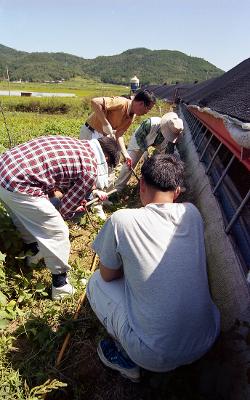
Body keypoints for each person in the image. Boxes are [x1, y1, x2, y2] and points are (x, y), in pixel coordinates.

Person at [87, 154, 220, 382]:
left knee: (95, 283)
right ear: (177, 192)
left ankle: (126, 358)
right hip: (207, 338)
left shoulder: (122, 220)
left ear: (142, 185)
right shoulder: (193, 214)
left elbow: (108, 275)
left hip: (155, 355)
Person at [0, 135, 120, 301]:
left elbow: (54, 175)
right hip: (20, 184)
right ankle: (60, 285)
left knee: (24, 218)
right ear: (105, 158)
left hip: (4, 173)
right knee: (58, 232)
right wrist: (76, 207)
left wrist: (78, 196)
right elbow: (64, 211)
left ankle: (33, 254)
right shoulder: (90, 168)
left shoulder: (76, 144)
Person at [79, 89, 156, 165]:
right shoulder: (121, 102)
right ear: (141, 104)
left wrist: (125, 154)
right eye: (148, 109)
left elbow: (119, 134)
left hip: (103, 138)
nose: (147, 112)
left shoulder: (131, 116)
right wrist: (105, 123)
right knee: (86, 162)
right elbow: (95, 102)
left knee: (100, 164)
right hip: (90, 132)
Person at [115, 111, 184, 192]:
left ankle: (169, 185)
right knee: (130, 162)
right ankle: (118, 188)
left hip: (160, 143)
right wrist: (145, 151)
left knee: (172, 160)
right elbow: (139, 137)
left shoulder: (172, 138)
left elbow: (168, 155)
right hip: (141, 140)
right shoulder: (150, 123)